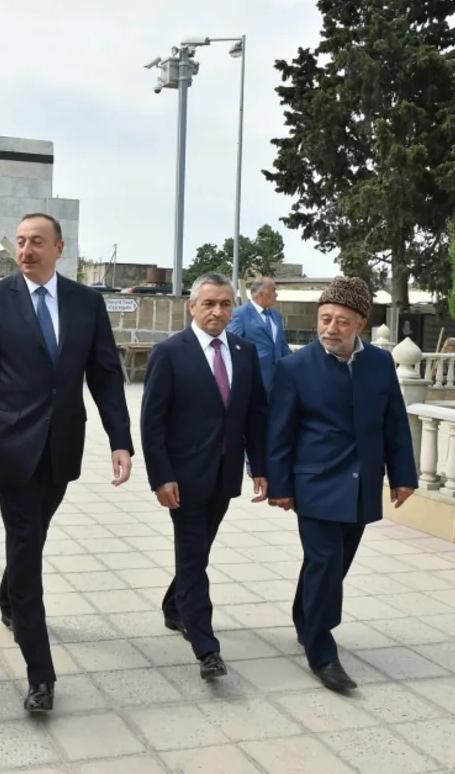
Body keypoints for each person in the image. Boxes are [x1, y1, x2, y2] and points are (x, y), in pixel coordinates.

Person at [0, 212, 133, 712]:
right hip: (11, 447)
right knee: (26, 547)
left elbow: (105, 374)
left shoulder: (86, 302)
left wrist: (120, 440)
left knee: (31, 538)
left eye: (37, 241)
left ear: (59, 248)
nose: (25, 250)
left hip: (61, 448)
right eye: (20, 241)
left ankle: (8, 597)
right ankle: (41, 674)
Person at [263, 277, 417, 692]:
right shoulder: (294, 368)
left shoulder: (380, 364)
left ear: (361, 324)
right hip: (315, 483)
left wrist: (403, 475)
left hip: (362, 483)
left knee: (334, 563)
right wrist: (280, 485)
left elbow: (394, 422)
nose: (330, 328)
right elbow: (279, 432)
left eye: (342, 321)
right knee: (326, 561)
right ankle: (322, 650)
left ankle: (304, 618)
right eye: (325, 318)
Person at [140, 272, 268, 679]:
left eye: (225, 304)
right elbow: (152, 422)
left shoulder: (244, 352)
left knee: (198, 551)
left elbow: (255, 415)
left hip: (224, 475)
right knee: (194, 556)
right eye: (209, 303)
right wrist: (161, 476)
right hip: (184, 476)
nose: (217, 311)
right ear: (192, 306)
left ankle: (174, 606)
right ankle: (206, 648)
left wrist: (260, 467)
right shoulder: (169, 353)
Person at [226, 277, 292, 395]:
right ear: (261, 294)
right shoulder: (240, 315)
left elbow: (283, 346)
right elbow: (231, 346)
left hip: (278, 381)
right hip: (253, 381)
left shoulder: (276, 316)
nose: (276, 294)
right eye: (273, 290)